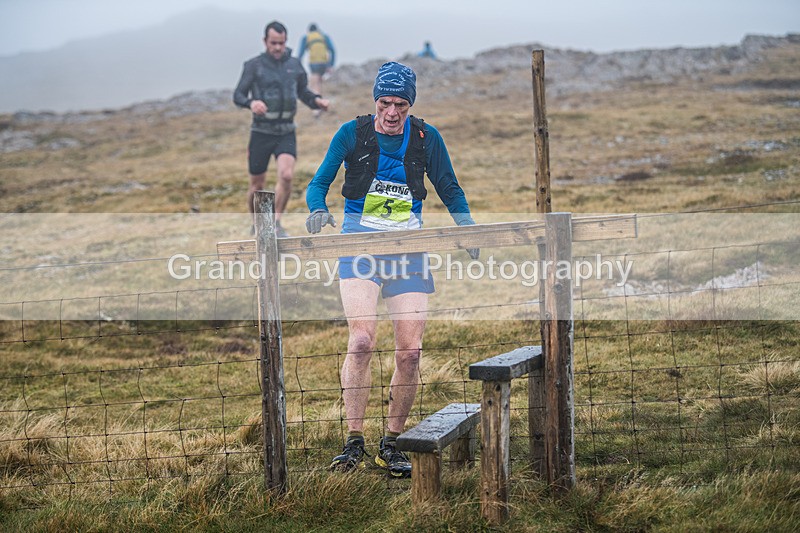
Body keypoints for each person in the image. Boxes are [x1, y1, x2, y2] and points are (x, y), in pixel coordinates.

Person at [304, 61, 479, 478]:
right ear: (375, 101)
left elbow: (450, 188)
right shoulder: (352, 133)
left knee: (410, 352)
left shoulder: (425, 138)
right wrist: (316, 209)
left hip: (409, 253)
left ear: (410, 105)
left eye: (401, 104)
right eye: (385, 102)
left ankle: (392, 442)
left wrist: (467, 227)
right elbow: (318, 183)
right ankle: (353, 441)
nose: (392, 112)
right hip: (359, 249)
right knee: (362, 340)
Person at [233, 20, 330, 237]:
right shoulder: (253, 66)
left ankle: (275, 224)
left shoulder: (294, 65)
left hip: (286, 130)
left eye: (282, 43)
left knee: (286, 176)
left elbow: (303, 92)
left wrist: (316, 101)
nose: (278, 47)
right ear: (265, 41)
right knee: (257, 185)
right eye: (273, 43)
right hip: (261, 132)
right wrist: (251, 103)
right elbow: (238, 95)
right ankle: (257, 224)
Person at [297, 23, 335, 104]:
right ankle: (322, 101)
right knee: (319, 82)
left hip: (314, 64)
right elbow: (332, 50)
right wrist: (331, 65)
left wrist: (298, 66)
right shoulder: (324, 36)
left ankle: (317, 107)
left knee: (315, 84)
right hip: (324, 63)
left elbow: (301, 53)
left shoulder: (306, 37)